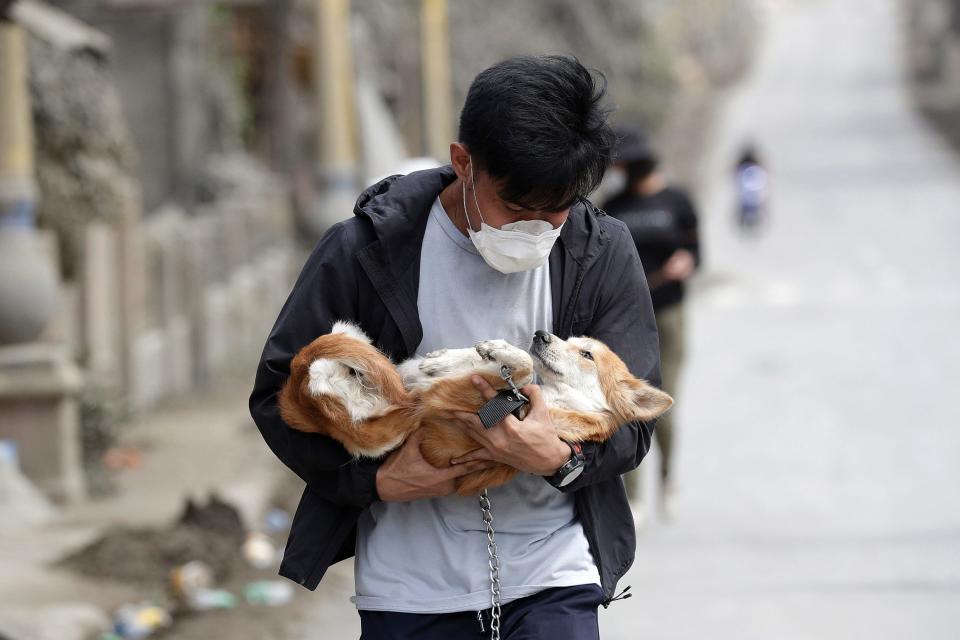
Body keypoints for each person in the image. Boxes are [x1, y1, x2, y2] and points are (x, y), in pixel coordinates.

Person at [249, 56, 661, 639]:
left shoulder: (600, 254)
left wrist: (561, 460)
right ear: (463, 162)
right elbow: (275, 398)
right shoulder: (366, 252)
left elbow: (633, 422)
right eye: (516, 210)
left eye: (557, 212)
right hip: (410, 588)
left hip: (554, 577)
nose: (537, 229)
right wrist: (378, 483)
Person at [602, 128, 700, 518]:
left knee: (664, 403)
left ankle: (667, 480)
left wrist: (686, 263)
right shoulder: (614, 205)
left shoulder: (677, 201)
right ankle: (635, 494)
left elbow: (696, 250)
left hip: (669, 313)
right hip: (627, 317)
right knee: (629, 403)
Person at [734, 144, 768, 230]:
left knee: (748, 205)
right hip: (749, 193)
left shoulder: (747, 167)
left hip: (749, 192)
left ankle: (747, 223)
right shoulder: (753, 167)